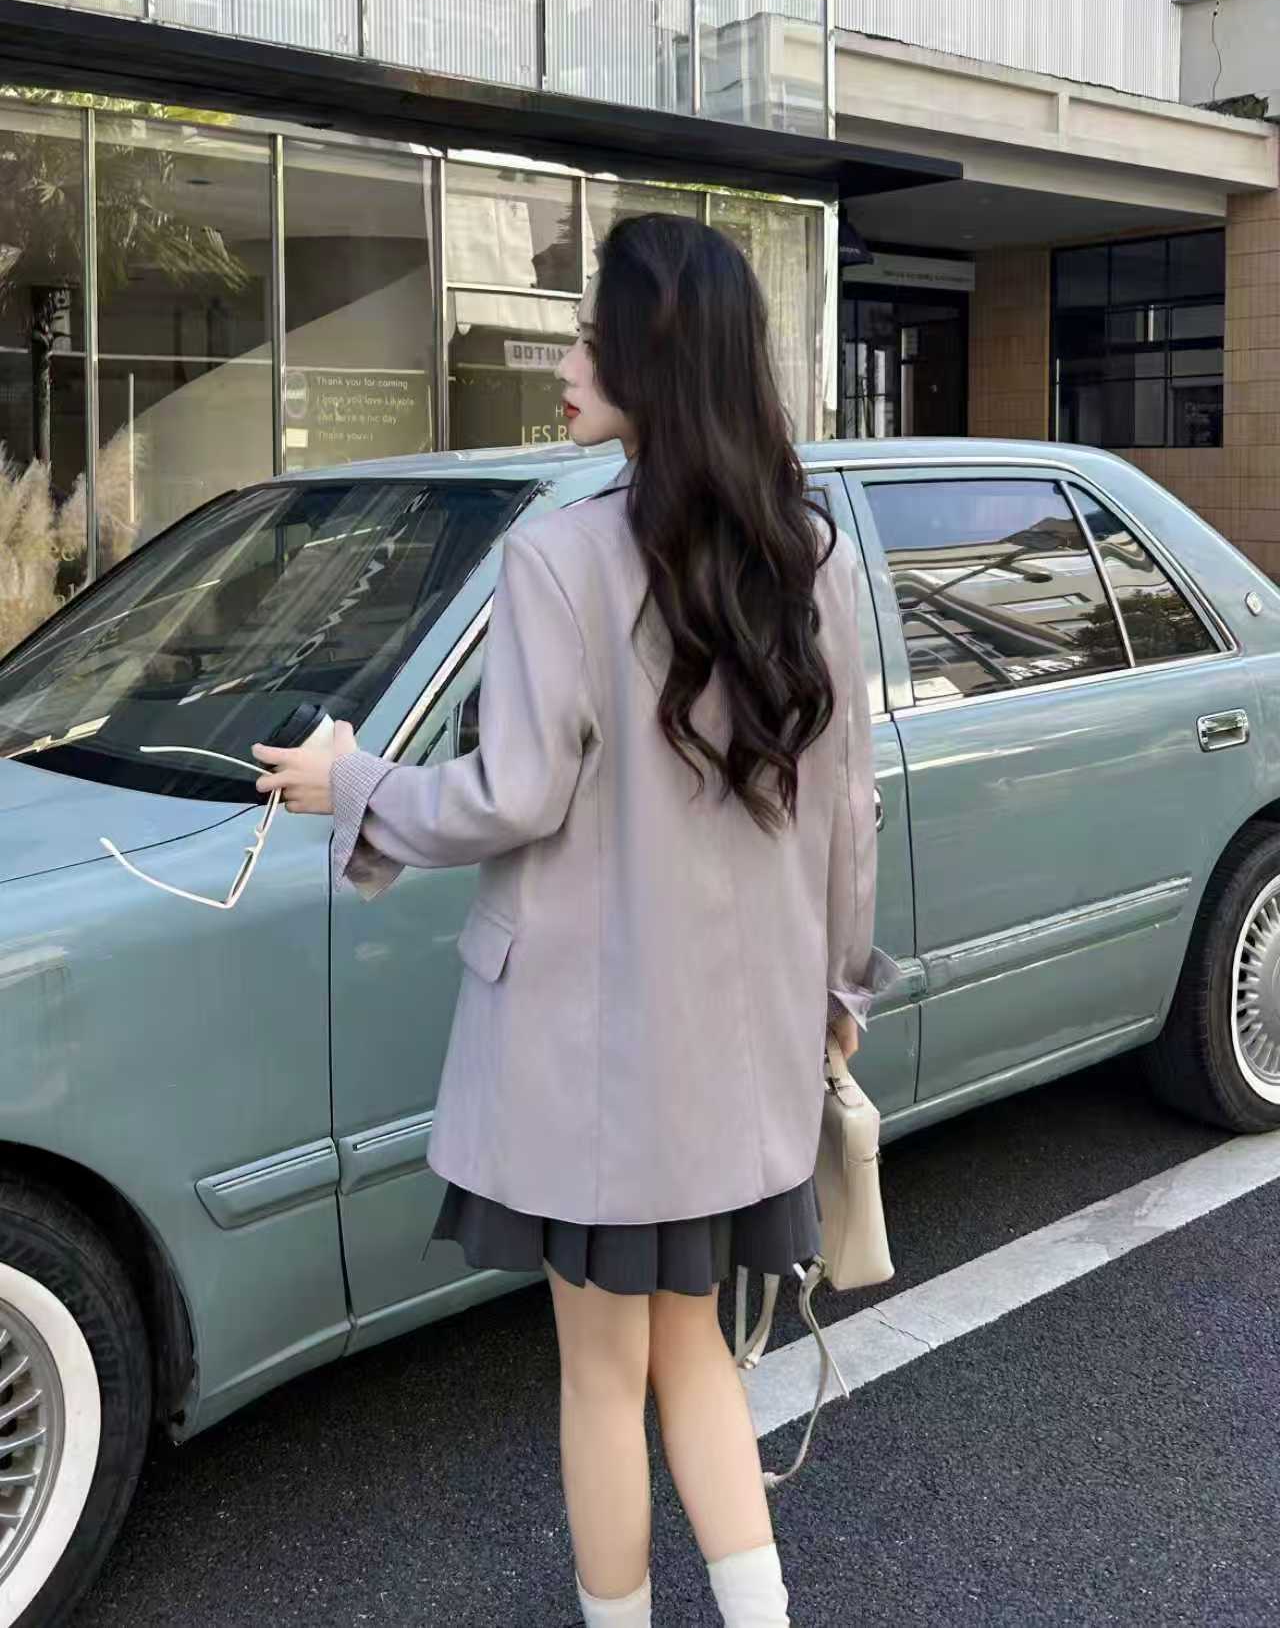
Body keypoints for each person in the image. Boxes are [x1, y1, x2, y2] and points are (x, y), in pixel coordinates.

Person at [254, 214, 890, 1628]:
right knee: (699, 1360)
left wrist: (350, 784)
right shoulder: (812, 559)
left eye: (588, 337)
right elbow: (849, 811)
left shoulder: (558, 556)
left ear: (654, 360)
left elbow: (511, 795)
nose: (563, 362)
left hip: (591, 1066)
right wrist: (841, 993)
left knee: (602, 1379)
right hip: (732, 1060)